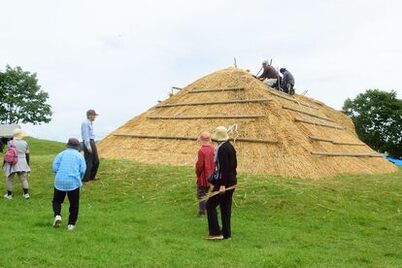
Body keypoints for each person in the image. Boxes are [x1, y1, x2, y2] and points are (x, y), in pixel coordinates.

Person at [206, 126, 237, 240]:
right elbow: (233, 166)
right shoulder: (230, 146)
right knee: (225, 207)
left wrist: (223, 185)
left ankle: (215, 233)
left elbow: (224, 168)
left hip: (225, 182)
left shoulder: (222, 149)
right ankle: (226, 233)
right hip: (232, 179)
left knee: (210, 205)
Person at [52, 138, 86, 231]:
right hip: (73, 181)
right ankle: (71, 224)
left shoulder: (61, 154)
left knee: (57, 201)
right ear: (78, 147)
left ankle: (57, 215)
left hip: (60, 181)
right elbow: (83, 170)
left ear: (67, 145)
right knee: (74, 204)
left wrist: (59, 173)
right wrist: (80, 178)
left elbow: (54, 167)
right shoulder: (79, 156)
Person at [3, 128, 31, 200]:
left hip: (13, 162)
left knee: (10, 179)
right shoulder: (25, 143)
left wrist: (4, 163)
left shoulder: (10, 142)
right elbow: (27, 154)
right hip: (22, 161)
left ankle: (9, 195)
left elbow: (8, 154)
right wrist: (27, 164)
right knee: (23, 179)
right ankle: (26, 194)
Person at [195, 131, 215, 216]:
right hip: (212, 174)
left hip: (204, 176)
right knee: (207, 193)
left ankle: (202, 212)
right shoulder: (213, 149)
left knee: (201, 194)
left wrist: (198, 174)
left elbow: (200, 166)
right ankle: (209, 210)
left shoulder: (201, 151)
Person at [81, 109, 100, 182]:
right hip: (88, 142)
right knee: (88, 161)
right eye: (94, 115)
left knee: (96, 161)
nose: (95, 117)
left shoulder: (90, 123)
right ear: (90, 116)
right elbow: (86, 136)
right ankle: (86, 179)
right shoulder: (85, 123)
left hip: (92, 141)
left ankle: (92, 177)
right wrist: (88, 146)